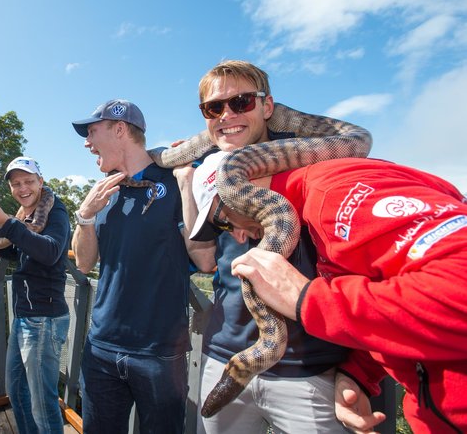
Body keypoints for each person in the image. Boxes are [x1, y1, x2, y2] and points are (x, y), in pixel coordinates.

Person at [195, 154, 467, 434]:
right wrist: (360, 372)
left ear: (243, 188)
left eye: (225, 221)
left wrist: (306, 298)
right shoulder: (318, 207)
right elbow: (394, 290)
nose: (237, 236)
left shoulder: (335, 195)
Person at [175, 60, 349, 434]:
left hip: (309, 371)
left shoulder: (319, 167)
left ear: (268, 107)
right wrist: (186, 186)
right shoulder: (215, 176)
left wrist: (358, 372)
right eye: (213, 108)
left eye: (241, 102)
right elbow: (205, 259)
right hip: (224, 356)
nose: (227, 115)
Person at [71, 99, 192, 434]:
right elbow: (83, 263)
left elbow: (204, 256)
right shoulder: (103, 191)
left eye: (92, 131)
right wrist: (85, 216)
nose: (86, 141)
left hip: (159, 353)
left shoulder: (177, 180)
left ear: (120, 130)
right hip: (101, 347)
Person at [0, 157, 70, 434]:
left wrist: (7, 223)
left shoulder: (57, 213)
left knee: (43, 404)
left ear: (41, 182)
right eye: (16, 183)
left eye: (29, 181)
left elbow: (50, 251)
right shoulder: (24, 216)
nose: (22, 188)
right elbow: (18, 251)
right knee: (17, 391)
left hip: (45, 319)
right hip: (25, 317)